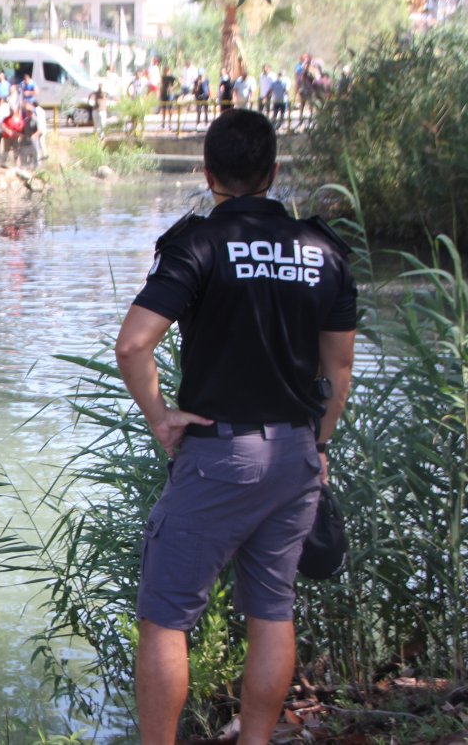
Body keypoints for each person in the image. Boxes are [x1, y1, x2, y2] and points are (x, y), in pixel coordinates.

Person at [113, 108, 357, 745]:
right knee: (272, 613)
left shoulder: (197, 243)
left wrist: (161, 418)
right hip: (294, 459)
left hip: (221, 458)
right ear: (274, 172)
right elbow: (340, 368)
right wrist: (320, 446)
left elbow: (134, 345)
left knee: (164, 620)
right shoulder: (323, 250)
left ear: (208, 173)